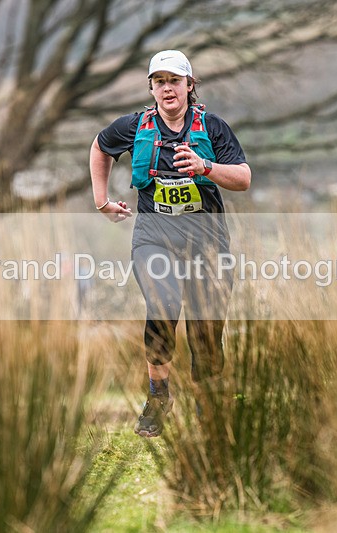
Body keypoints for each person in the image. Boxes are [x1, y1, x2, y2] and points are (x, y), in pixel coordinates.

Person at [89, 50, 251, 437]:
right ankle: (158, 396)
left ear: (190, 86)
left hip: (207, 242)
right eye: (159, 81)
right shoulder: (134, 125)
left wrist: (205, 166)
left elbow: (243, 177)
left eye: (174, 81)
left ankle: (208, 406)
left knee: (205, 334)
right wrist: (101, 201)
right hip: (154, 237)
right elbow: (99, 147)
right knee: (163, 306)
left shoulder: (212, 128)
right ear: (151, 88)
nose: (167, 88)